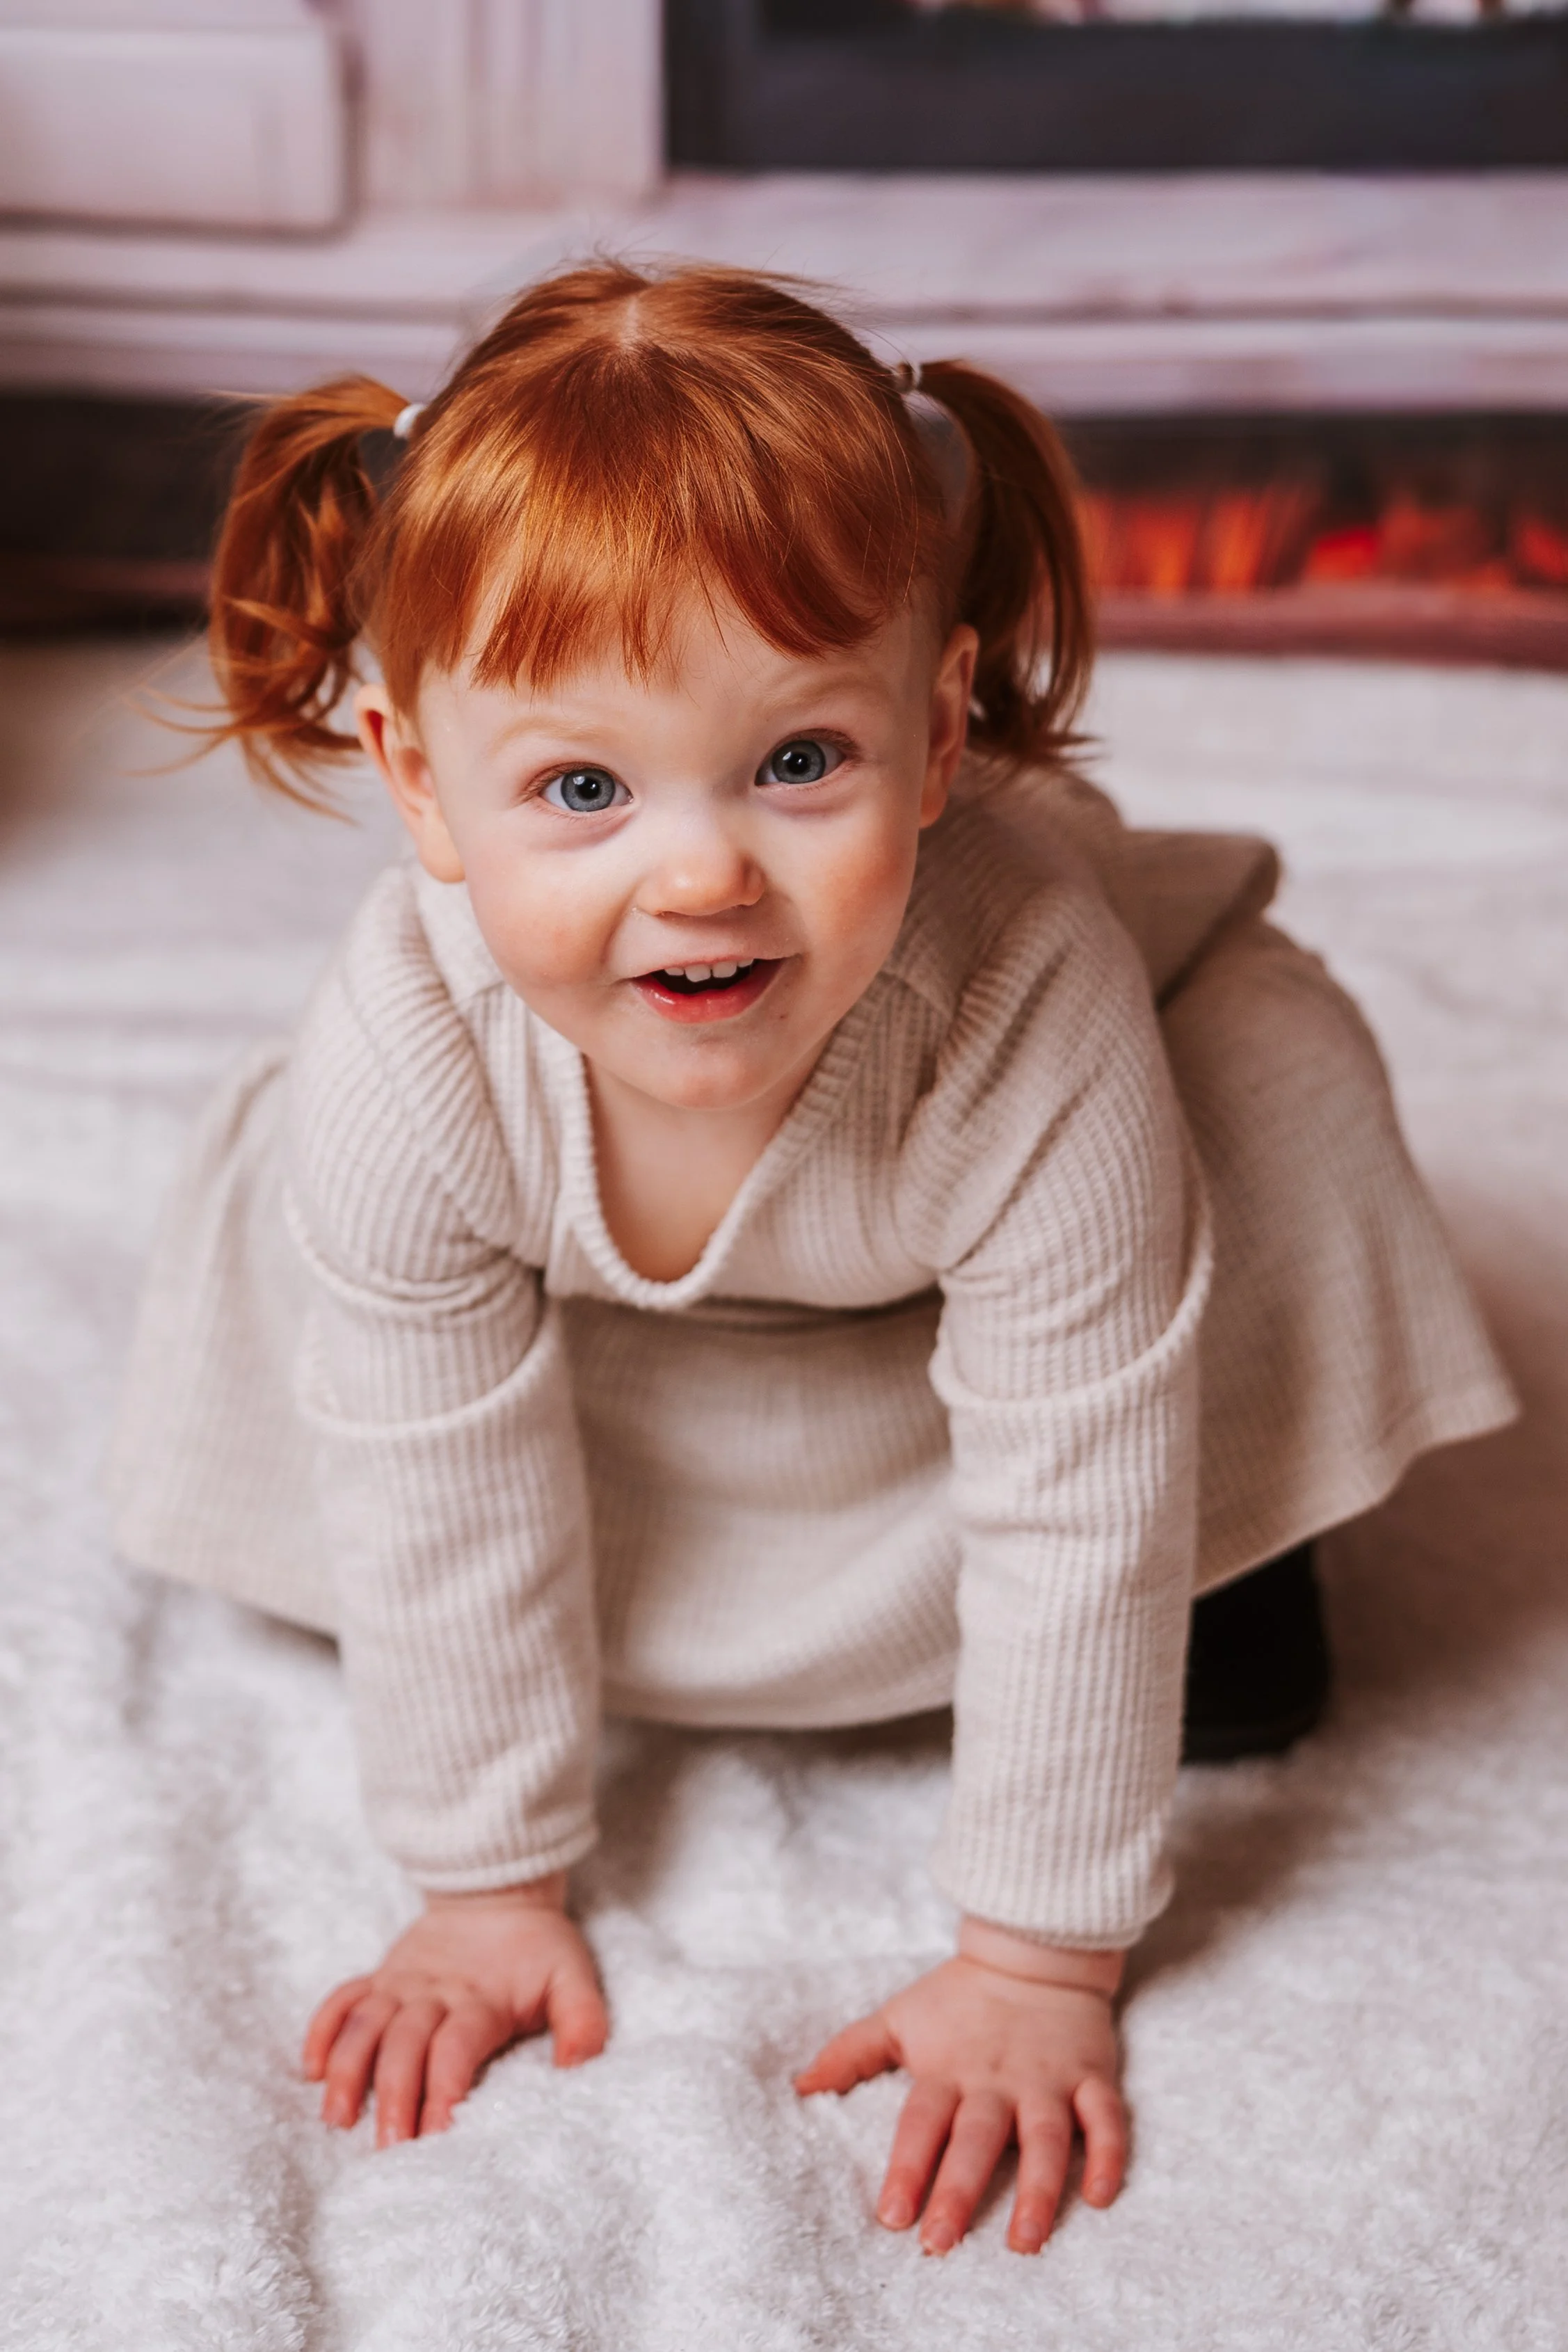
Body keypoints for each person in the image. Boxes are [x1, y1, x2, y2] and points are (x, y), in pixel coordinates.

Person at [108, 260, 1514, 2257]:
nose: (698, 873)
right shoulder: (413, 1046)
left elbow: (1079, 1465)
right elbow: (428, 1464)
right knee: (331, 1274)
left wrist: (1037, 1952)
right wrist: (485, 1880)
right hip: (639, 1342)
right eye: (580, 788)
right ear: (417, 783)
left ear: (937, 739)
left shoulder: (1024, 997)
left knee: (1268, 1101)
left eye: (797, 763)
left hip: (1014, 1301)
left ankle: (1249, 1573)